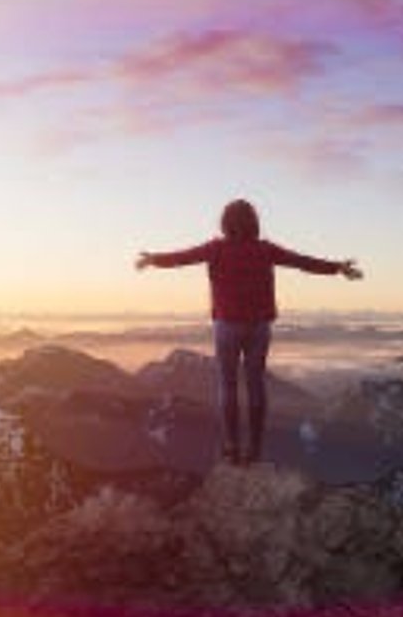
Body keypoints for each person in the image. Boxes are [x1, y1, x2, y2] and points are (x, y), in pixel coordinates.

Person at [136, 198, 362, 466]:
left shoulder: (215, 248)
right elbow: (302, 262)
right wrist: (338, 268)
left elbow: (182, 258)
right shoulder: (265, 250)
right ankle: (254, 448)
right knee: (256, 386)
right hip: (258, 327)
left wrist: (153, 260)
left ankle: (231, 447)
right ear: (254, 222)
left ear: (225, 223)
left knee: (228, 387)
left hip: (227, 326)